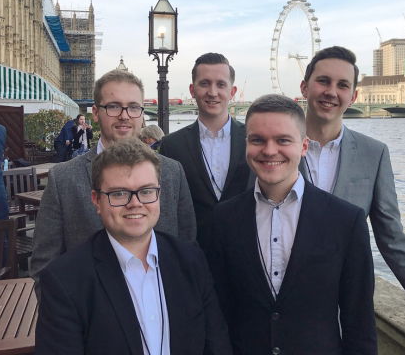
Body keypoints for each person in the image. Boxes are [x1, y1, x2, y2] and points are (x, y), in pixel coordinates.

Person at [299, 45, 405, 355]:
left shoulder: (373, 154)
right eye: (323, 81)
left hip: (343, 310)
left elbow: (394, 241)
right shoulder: (273, 146)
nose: (331, 92)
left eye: (342, 85)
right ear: (304, 87)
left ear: (354, 96)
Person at [209, 94, 376, 354]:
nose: (269, 150)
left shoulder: (346, 221)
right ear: (246, 145)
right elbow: (217, 311)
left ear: (304, 146)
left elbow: (359, 322)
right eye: (258, 140)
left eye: (283, 140)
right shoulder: (223, 219)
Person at [36, 138, 232, 354]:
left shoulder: (191, 261)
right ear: (96, 200)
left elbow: (217, 344)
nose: (135, 203)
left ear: (159, 194)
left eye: (146, 191)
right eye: (119, 193)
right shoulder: (65, 280)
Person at [31, 69, 196, 282]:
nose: (124, 115)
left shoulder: (173, 172)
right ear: (95, 113)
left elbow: (187, 249)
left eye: (133, 107)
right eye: (114, 106)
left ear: (142, 114)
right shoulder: (63, 179)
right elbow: (45, 268)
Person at [160, 53, 250, 253]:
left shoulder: (253, 140)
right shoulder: (172, 145)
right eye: (204, 83)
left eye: (221, 84)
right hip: (193, 254)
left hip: (245, 251)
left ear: (232, 91)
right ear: (192, 90)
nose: (212, 92)